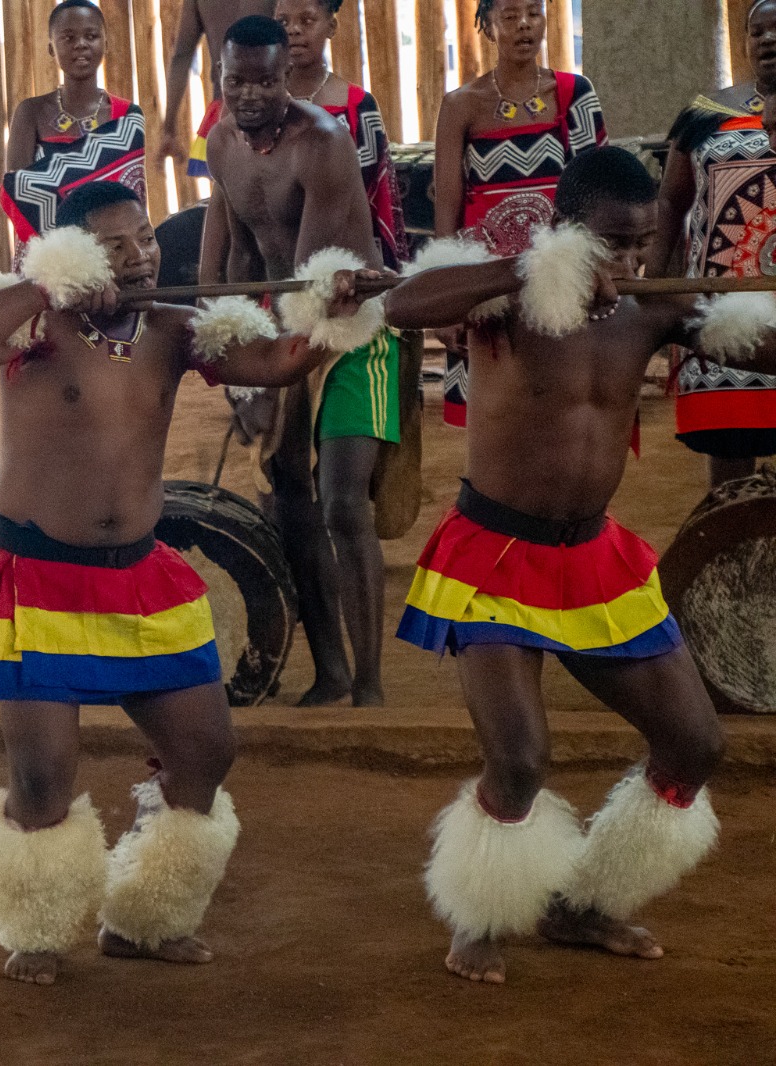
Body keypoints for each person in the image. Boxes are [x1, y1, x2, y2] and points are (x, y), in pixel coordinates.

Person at [0, 181, 380, 985]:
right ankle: (34, 929)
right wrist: (44, 285)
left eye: (145, 239)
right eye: (114, 244)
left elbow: (275, 363)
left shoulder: (176, 330)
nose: (139, 256)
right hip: (37, 576)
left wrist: (328, 307)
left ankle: (147, 915)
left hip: (139, 579)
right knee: (43, 777)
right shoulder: (35, 323)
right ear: (73, 254)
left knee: (206, 752)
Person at [387, 147, 751, 985]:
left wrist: (719, 314)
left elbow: (754, 345)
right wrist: (527, 270)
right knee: (518, 757)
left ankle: (582, 905)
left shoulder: (654, 311)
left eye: (642, 244)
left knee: (694, 745)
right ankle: (481, 915)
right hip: (494, 558)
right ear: (563, 229)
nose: (629, 262)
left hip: (595, 561)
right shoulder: (499, 303)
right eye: (613, 243)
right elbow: (406, 305)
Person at [199, 16, 391, 706]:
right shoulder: (221, 143)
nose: (250, 93)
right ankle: (331, 671)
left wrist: (267, 385)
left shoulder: (325, 143)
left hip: (347, 331)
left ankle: (368, 688)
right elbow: (237, 262)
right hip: (282, 326)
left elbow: (308, 282)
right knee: (289, 503)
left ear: (288, 78)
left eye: (266, 80)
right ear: (219, 78)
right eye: (236, 80)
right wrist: (230, 358)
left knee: (343, 504)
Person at [431, 0, 605, 427]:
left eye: (534, 13)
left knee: (565, 415)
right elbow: (447, 208)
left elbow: (597, 197)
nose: (525, 25)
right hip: (488, 290)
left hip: (561, 285)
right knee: (497, 422)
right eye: (510, 16)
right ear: (488, 27)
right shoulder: (460, 106)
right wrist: (447, 299)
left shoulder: (575, 94)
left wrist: (601, 271)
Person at [652, 0, 776, 489]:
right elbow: (670, 205)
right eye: (757, 32)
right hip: (721, 313)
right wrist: (657, 296)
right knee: (730, 471)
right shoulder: (707, 113)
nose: (767, 40)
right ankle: (731, 558)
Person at [0, 0, 146, 253]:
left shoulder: (127, 116)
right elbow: (20, 193)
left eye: (91, 36)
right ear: (51, 48)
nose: (81, 44)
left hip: (116, 251)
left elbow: (133, 198)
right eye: (68, 37)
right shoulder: (31, 112)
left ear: (105, 44)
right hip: (50, 253)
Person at [275, 0, 406, 269]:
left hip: (347, 263)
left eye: (307, 20)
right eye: (283, 22)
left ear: (331, 27)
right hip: (278, 257)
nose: (294, 30)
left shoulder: (358, 104)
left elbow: (376, 196)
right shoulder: (263, 107)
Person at [154, 0, 275, 175]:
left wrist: (169, 130)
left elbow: (182, 55)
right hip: (272, 113)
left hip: (224, 111)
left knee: (228, 194)